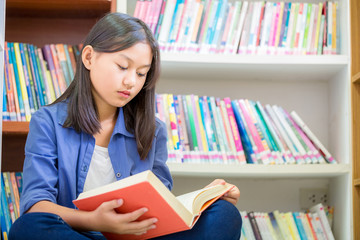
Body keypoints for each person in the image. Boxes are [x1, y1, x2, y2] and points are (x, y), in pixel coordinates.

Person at [9, 12, 242, 240]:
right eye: (122, 66)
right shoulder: (48, 121)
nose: (131, 81)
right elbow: (36, 206)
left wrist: (204, 199)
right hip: (75, 234)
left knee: (224, 216)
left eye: (141, 73)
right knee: (28, 227)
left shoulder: (153, 130)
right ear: (89, 57)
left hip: (138, 238)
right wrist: (93, 220)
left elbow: (159, 209)